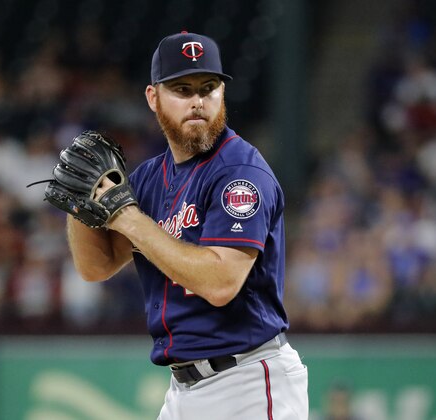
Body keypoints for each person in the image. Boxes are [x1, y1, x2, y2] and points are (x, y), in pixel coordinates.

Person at [65, 31, 308, 419]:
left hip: (246, 381)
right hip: (183, 391)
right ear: (153, 97)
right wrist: (80, 204)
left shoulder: (239, 172)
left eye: (208, 87)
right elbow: (96, 267)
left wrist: (129, 219)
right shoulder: (148, 179)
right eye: (182, 88)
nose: (198, 101)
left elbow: (221, 282)